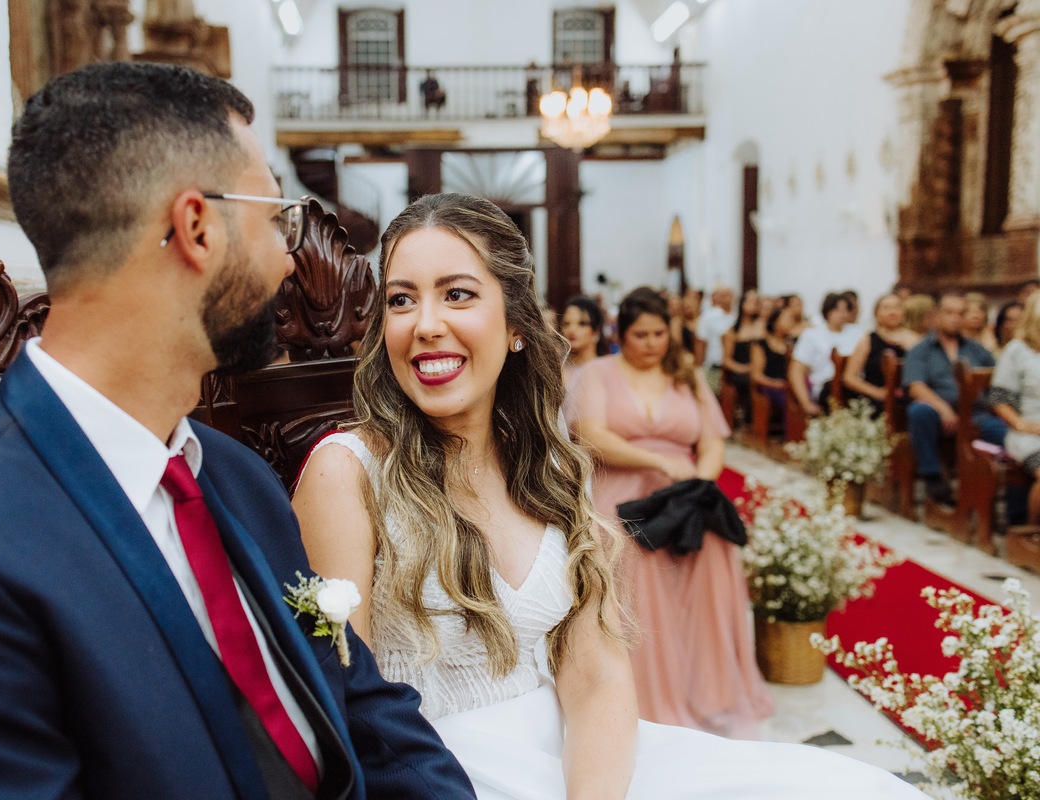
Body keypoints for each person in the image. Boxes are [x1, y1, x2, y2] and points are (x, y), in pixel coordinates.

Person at [0, 63, 475, 799]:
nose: (289, 262)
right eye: (277, 221)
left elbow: (364, 707)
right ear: (196, 227)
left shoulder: (237, 477)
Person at [294, 194, 927, 799]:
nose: (426, 326)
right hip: (435, 774)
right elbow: (348, 704)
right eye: (402, 300)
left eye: (457, 294)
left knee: (847, 787)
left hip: (587, 761)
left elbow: (596, 676)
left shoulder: (551, 471)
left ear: (516, 325)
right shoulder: (347, 474)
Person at [571, 286, 773, 738]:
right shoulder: (598, 373)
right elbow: (591, 433)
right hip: (626, 492)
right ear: (622, 333)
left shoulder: (687, 374)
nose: (651, 343)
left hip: (687, 490)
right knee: (625, 552)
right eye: (641, 334)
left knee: (714, 550)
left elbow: (713, 439)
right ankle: (641, 695)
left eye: (660, 333)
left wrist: (702, 479)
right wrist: (660, 461)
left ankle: (712, 691)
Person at [903, 291, 1004, 506]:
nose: (955, 318)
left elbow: (997, 381)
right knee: (919, 411)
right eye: (949, 312)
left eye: (960, 313)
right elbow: (915, 387)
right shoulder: (921, 350)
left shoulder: (977, 350)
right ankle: (932, 477)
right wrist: (942, 408)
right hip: (939, 415)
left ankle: (1013, 505)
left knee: (1006, 432)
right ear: (936, 315)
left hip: (976, 415)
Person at [990, 293, 1040, 523]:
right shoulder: (1017, 350)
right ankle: (1033, 534)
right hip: (1028, 434)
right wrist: (1023, 424)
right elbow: (999, 399)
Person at [788, 292, 862, 416]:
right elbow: (796, 371)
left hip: (856, 385)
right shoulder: (811, 335)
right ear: (827, 311)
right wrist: (806, 403)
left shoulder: (858, 333)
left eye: (846, 310)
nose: (842, 314)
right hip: (825, 387)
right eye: (837, 309)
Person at [842, 293, 912, 415]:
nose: (892, 312)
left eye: (897, 307)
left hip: (908, 397)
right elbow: (849, 377)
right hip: (876, 398)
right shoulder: (867, 341)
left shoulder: (914, 339)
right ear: (876, 313)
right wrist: (879, 393)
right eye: (886, 308)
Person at [749, 305, 796, 428]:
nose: (791, 322)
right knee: (789, 400)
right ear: (775, 323)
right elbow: (756, 375)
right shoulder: (761, 344)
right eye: (787, 319)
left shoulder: (792, 345)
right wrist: (776, 384)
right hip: (769, 386)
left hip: (789, 386)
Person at [720, 289, 764, 420]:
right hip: (740, 371)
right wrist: (745, 368)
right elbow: (726, 360)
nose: (753, 304)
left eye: (756, 301)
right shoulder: (732, 331)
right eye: (750, 301)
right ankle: (751, 419)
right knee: (751, 381)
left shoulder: (762, 326)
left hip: (760, 369)